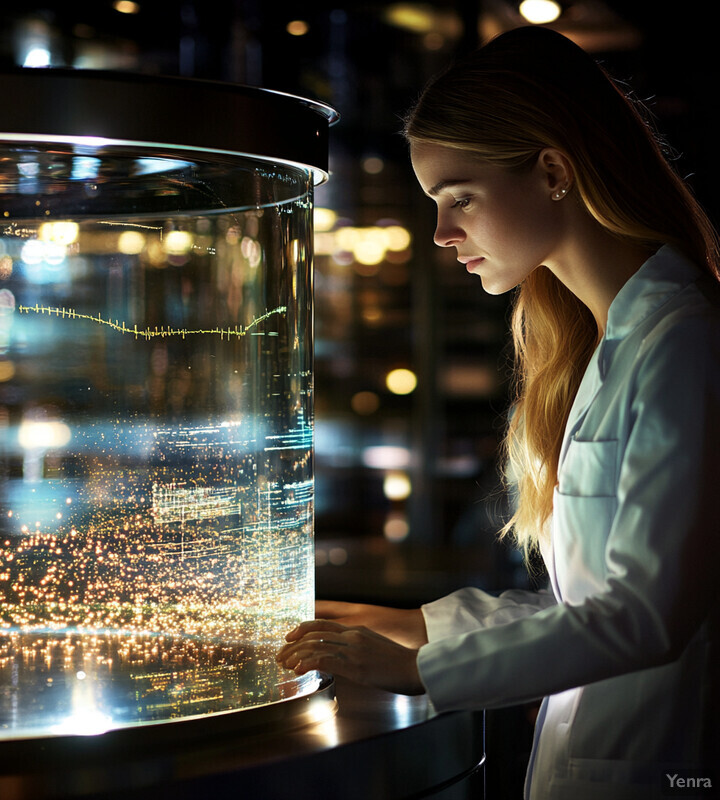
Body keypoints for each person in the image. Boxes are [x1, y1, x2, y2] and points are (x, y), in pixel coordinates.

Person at [276, 25, 720, 799]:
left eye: (461, 199)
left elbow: (648, 616)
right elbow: (576, 608)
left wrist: (418, 669)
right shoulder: (610, 340)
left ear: (553, 170)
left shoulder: (685, 344)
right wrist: (387, 625)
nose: (444, 234)